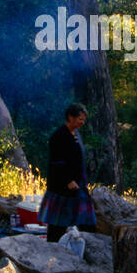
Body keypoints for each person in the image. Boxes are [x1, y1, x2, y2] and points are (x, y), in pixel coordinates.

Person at [38, 102, 97, 243]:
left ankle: (85, 248)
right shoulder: (59, 136)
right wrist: (68, 180)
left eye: (83, 119)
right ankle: (52, 247)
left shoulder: (76, 134)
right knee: (58, 222)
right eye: (80, 119)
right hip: (62, 186)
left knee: (87, 221)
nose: (82, 122)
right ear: (70, 117)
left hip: (79, 185)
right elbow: (56, 163)